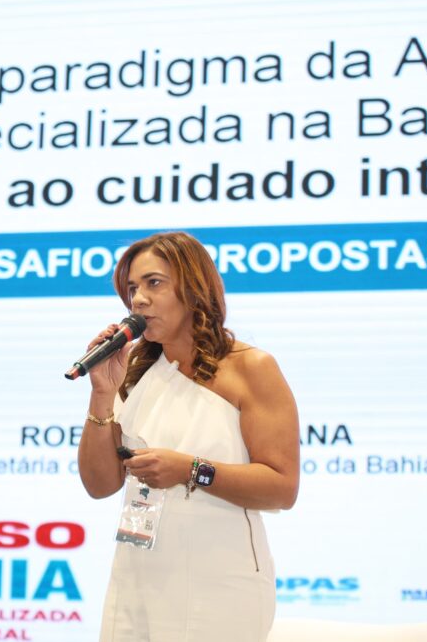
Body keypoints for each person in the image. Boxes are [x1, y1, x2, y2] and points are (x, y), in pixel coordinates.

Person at [77, 231, 300, 642]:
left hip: (220, 582)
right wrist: (102, 392)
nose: (138, 299)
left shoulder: (251, 367)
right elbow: (100, 484)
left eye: (154, 283)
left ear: (195, 288)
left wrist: (191, 469)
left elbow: (281, 488)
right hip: (137, 575)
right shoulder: (135, 371)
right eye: (132, 288)